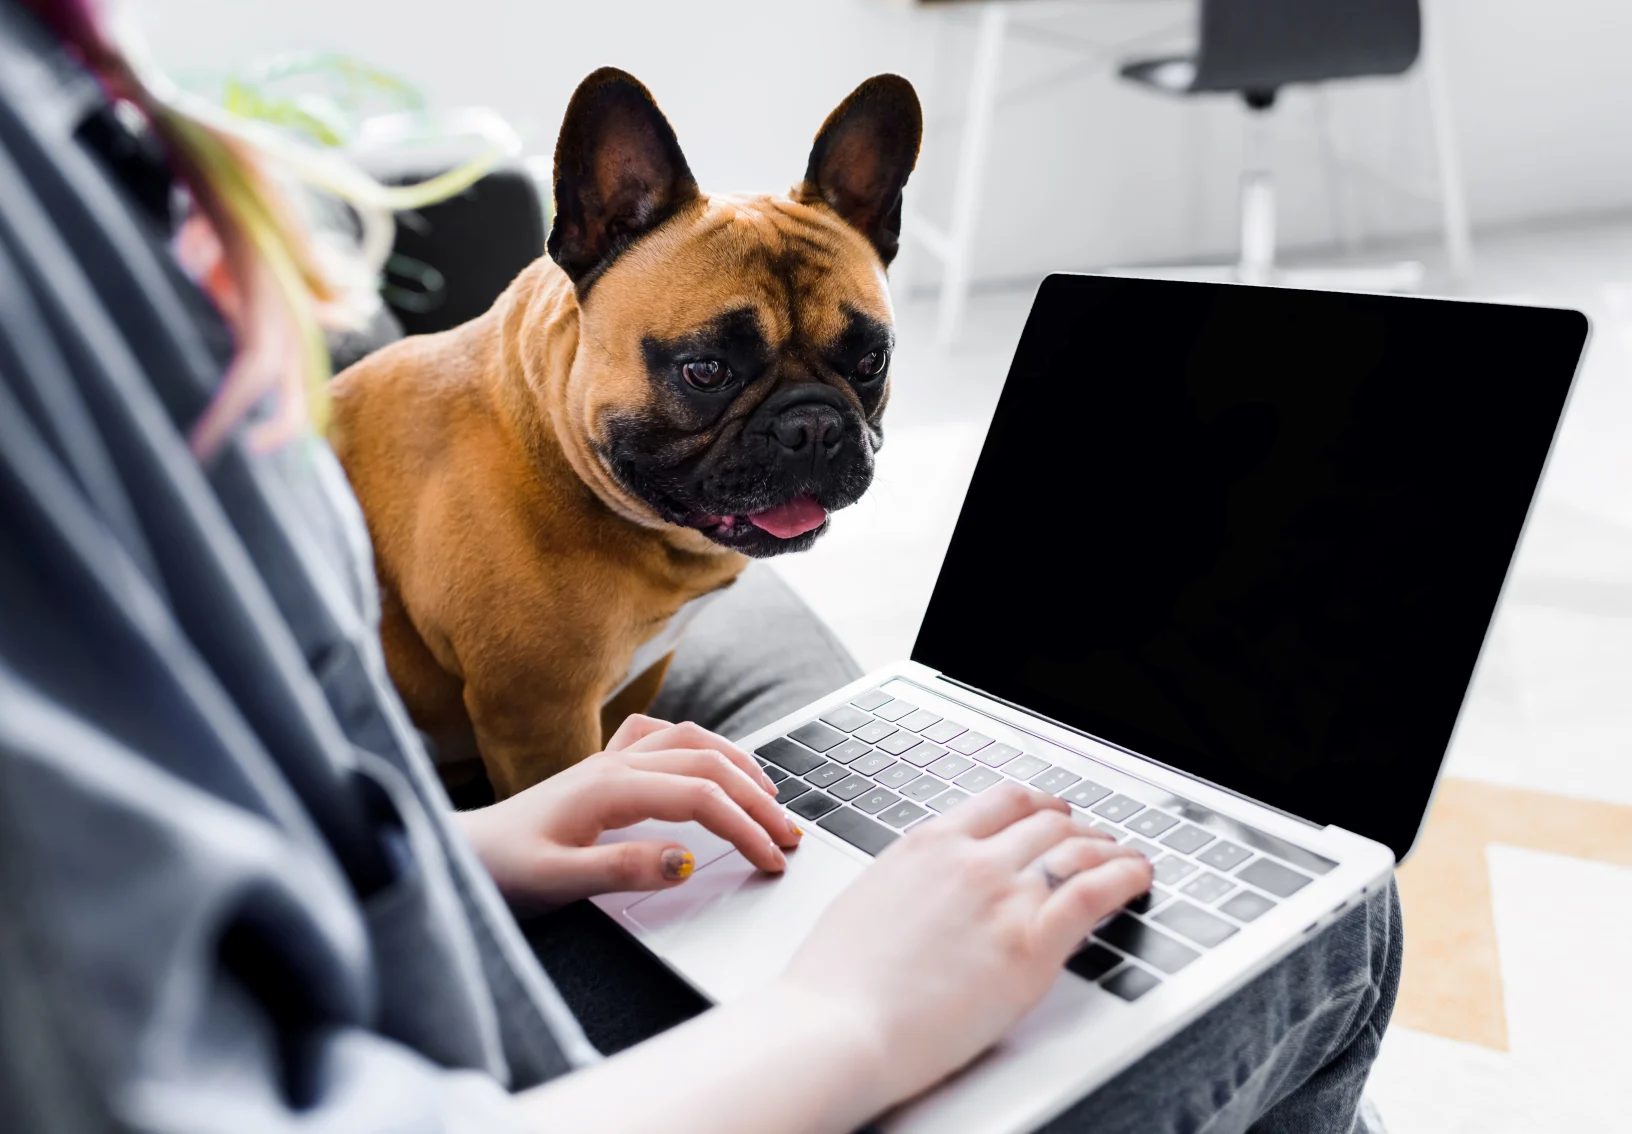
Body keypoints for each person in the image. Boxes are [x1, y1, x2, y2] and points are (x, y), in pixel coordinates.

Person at [0, 2, 1401, 1132]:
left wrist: (474, 848)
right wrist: (841, 1019)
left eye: (853, 369)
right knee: (1347, 925)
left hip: (411, 857)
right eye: (707, 370)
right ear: (584, 249)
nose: (806, 429)